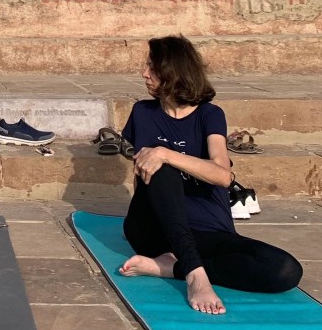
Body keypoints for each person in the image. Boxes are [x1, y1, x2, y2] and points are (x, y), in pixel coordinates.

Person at [118, 35, 302, 314]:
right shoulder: (142, 112)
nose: (145, 74)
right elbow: (143, 178)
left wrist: (167, 153)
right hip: (154, 230)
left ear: (174, 72)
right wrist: (160, 158)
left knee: (286, 270)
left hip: (208, 231)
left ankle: (172, 267)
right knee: (159, 166)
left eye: (153, 68)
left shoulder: (209, 115)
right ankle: (194, 274)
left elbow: (223, 175)